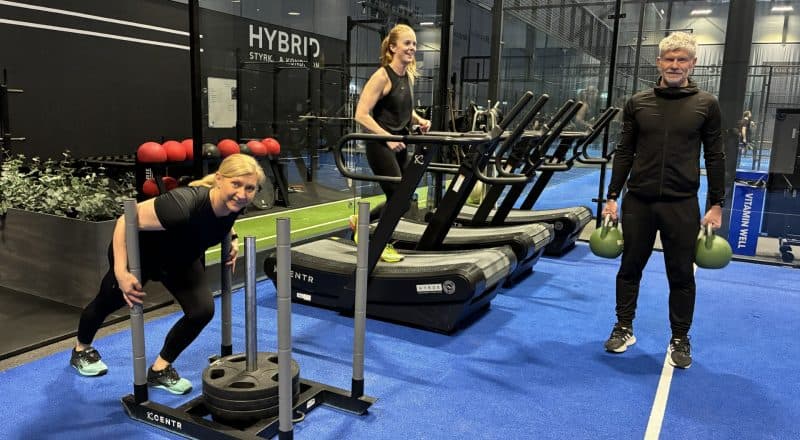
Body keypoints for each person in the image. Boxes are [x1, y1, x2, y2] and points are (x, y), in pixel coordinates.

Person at [70, 153, 266, 394]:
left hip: (179, 258)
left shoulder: (234, 204)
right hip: (140, 254)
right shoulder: (181, 205)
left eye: (250, 188)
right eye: (235, 184)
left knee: (201, 311)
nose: (242, 193)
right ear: (219, 179)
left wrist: (232, 237)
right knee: (108, 301)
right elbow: (125, 220)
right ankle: (81, 350)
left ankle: (160, 369)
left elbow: (222, 218)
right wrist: (121, 272)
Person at [600, 32, 725, 369]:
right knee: (629, 268)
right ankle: (623, 327)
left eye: (681, 59)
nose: (674, 65)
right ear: (658, 63)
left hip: (681, 203)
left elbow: (715, 155)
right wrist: (612, 196)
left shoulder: (706, 104)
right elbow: (624, 151)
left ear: (692, 64)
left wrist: (716, 204)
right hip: (638, 202)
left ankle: (680, 337)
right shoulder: (638, 103)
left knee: (681, 274)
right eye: (669, 59)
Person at [353, 23, 432, 262]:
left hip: (398, 144)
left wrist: (418, 120)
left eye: (414, 44)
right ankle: (378, 242)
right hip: (381, 145)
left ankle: (361, 222)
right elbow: (361, 115)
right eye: (407, 43)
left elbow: (402, 108)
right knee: (399, 198)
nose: (412, 48)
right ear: (393, 47)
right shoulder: (382, 76)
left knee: (403, 199)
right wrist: (387, 138)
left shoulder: (407, 76)